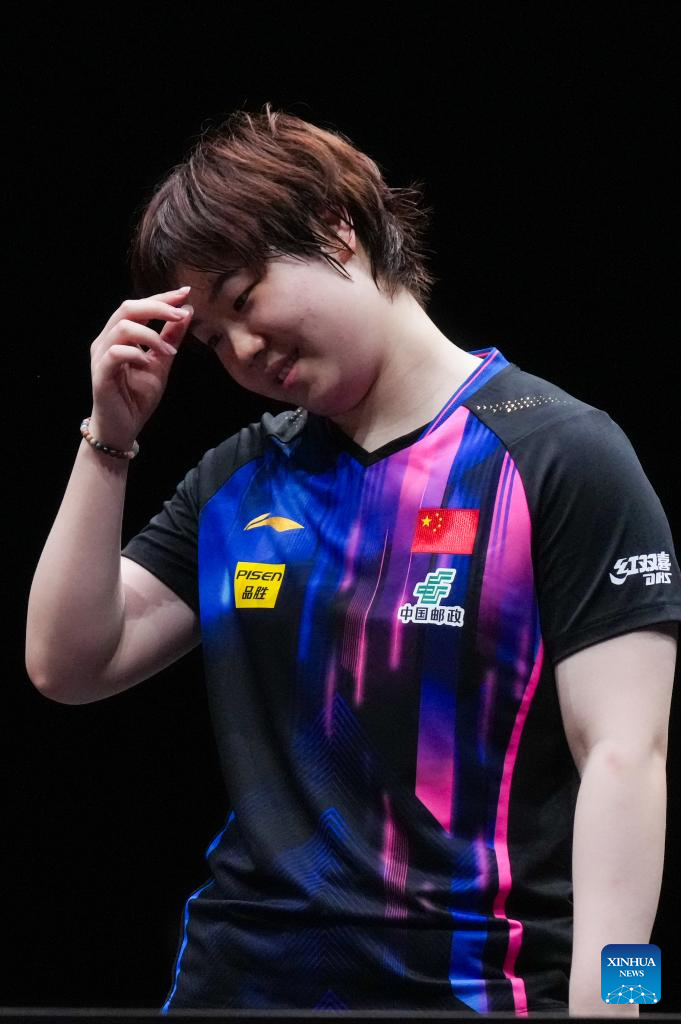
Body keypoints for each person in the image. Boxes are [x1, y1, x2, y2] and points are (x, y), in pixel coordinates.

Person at [26, 105, 680, 1016]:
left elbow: (626, 757)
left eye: (242, 299)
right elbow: (66, 663)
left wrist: (618, 1002)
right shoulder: (241, 480)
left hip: (477, 989)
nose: (241, 351)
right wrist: (108, 440)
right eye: (210, 339)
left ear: (336, 229)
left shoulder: (559, 456)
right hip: (240, 985)